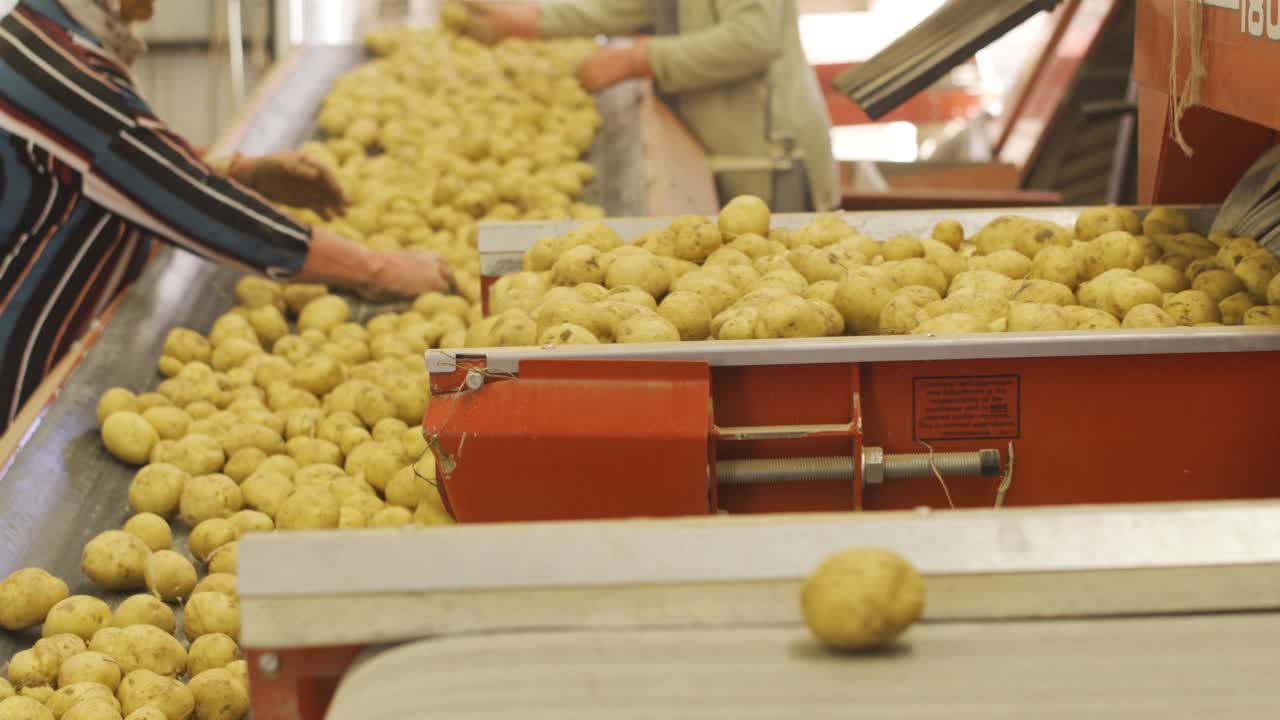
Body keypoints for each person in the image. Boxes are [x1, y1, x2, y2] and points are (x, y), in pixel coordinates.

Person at [0, 0, 453, 434]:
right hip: (19, 371)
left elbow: (130, 161)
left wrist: (245, 173)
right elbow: (184, 198)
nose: (156, 6)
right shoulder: (54, 69)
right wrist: (375, 269)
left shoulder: (44, 37)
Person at [464, 0, 840, 214]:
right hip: (721, 147)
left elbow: (754, 39)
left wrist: (637, 59)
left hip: (771, 153)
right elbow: (632, 6)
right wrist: (528, 20)